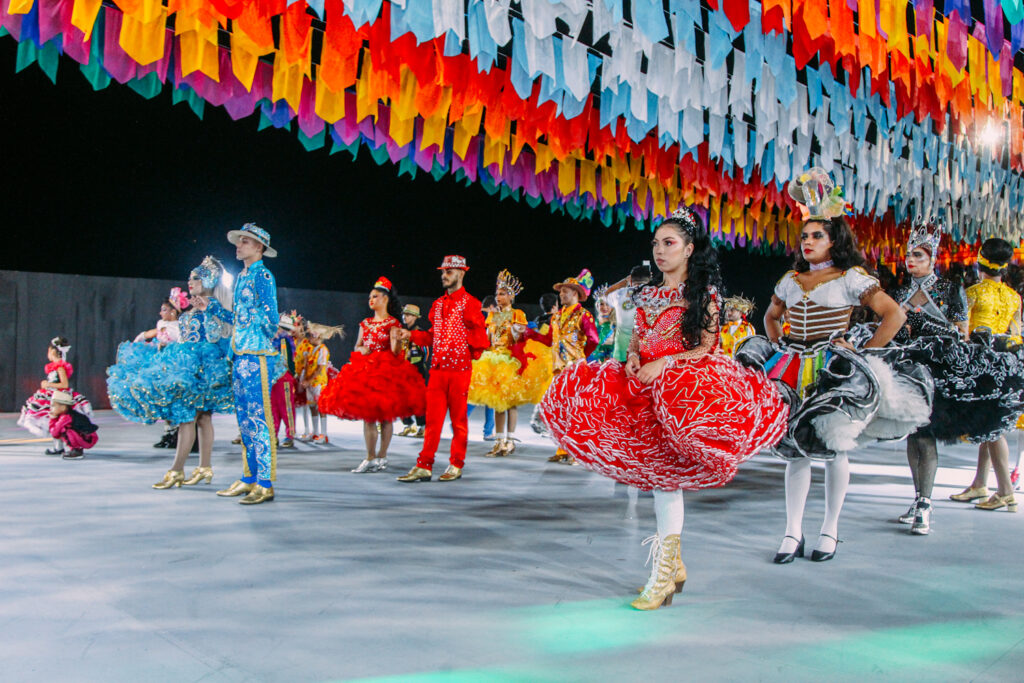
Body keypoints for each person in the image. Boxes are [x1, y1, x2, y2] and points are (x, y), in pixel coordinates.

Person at [540, 207, 788, 610]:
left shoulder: (703, 294)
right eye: (656, 243)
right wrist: (636, 357)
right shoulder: (648, 293)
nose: (659, 250)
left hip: (682, 394)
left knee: (666, 482)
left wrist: (665, 363)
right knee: (659, 481)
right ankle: (672, 567)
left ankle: (663, 574)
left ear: (689, 249)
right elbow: (638, 337)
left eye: (669, 243)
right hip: (642, 390)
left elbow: (706, 347)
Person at [754, 168, 928, 563]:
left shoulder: (852, 277)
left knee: (834, 447)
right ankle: (791, 532)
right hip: (792, 367)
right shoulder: (790, 279)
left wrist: (863, 354)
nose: (809, 241)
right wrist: (780, 343)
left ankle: (829, 529)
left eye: (818, 235)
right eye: (805, 236)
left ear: (835, 240)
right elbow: (770, 318)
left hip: (833, 368)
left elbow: (893, 316)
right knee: (794, 449)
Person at [885, 221, 971, 534]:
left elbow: (961, 333)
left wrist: (924, 324)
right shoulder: (899, 290)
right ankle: (918, 497)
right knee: (912, 432)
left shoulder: (949, 289)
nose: (912, 260)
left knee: (927, 434)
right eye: (909, 255)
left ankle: (925, 502)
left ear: (932, 258)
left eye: (919, 255)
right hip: (907, 368)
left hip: (937, 371)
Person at [393, 255, 489, 483]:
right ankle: (424, 465)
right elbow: (432, 336)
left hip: (458, 371)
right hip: (437, 370)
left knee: (458, 421)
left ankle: (456, 464)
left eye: (449, 272)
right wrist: (411, 334)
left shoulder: (471, 303)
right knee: (432, 421)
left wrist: (463, 347)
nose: (444, 276)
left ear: (461, 273)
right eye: (443, 272)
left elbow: (481, 340)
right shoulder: (437, 305)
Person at [948, 238, 1024, 512]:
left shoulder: (973, 292)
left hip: (980, 364)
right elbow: (1016, 335)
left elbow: (961, 332)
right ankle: (980, 483)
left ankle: (1005, 491)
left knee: (991, 428)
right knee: (989, 425)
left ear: (980, 264)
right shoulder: (1014, 297)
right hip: (1007, 363)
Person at [320, 277, 424, 473]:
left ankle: (382, 456)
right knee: (368, 418)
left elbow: (396, 352)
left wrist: (397, 341)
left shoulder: (393, 323)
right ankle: (370, 457)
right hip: (365, 372)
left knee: (386, 418)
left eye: (375, 296)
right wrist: (362, 350)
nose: (371, 299)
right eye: (370, 297)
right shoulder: (365, 323)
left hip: (386, 373)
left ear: (385, 299)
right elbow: (357, 346)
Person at [149, 257, 235, 489]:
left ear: (208, 280)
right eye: (189, 278)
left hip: (201, 372)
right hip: (189, 369)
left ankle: (176, 471)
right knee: (203, 419)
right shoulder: (190, 312)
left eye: (196, 277)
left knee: (188, 419)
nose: (190, 281)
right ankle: (204, 468)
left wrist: (208, 311)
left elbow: (218, 338)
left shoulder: (211, 308)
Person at [216, 223, 282, 505]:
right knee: (244, 419)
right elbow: (238, 318)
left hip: (256, 354)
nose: (238, 246)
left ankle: (265, 482)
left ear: (259, 248)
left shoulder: (264, 276)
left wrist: (252, 332)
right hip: (240, 353)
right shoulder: (243, 277)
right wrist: (214, 309)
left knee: (259, 417)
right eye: (239, 241)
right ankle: (249, 476)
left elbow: (271, 319)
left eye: (244, 242)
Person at [468, 270, 547, 456]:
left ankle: (510, 440)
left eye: (502, 293)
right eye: (497, 294)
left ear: (511, 296)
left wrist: (516, 330)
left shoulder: (517, 314)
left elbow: (520, 338)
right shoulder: (493, 315)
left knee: (509, 403)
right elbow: (488, 338)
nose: (498, 297)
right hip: (493, 359)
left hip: (510, 360)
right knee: (496, 403)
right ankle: (498, 440)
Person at [527, 269, 600, 463]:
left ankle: (576, 452)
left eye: (565, 291)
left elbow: (594, 339)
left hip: (575, 369)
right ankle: (562, 450)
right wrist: (528, 334)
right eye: (561, 292)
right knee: (560, 409)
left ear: (575, 293)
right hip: (559, 369)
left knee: (575, 410)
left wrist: (581, 357)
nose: (561, 295)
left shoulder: (584, 315)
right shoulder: (557, 317)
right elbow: (549, 339)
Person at [130, 289, 186, 449]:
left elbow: (180, 342)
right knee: (163, 398)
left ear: (174, 312)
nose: (161, 312)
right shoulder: (162, 324)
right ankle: (168, 432)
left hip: (175, 365)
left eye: (164, 310)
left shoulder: (180, 327)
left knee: (175, 399)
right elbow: (156, 332)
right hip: (161, 363)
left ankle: (177, 433)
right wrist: (141, 337)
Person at [19, 336, 94, 454]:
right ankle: (58, 446)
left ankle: (71, 445)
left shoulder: (60, 366)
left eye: (48, 351)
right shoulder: (55, 366)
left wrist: (47, 384)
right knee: (53, 421)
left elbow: (64, 384)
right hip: (51, 395)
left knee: (61, 422)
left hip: (58, 397)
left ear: (53, 351)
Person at [605, 265, 652, 362]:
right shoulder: (655, 295)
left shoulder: (620, 294)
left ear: (631, 280)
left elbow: (606, 294)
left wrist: (625, 281)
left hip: (621, 354)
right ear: (650, 280)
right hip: (647, 354)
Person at [298, 319, 335, 444]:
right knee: (312, 406)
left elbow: (320, 368)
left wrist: (309, 380)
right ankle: (314, 432)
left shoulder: (322, 350)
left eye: (312, 335)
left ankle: (323, 434)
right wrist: (304, 379)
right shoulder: (309, 349)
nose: (310, 338)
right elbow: (306, 365)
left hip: (318, 382)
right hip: (309, 382)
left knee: (320, 407)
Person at [397, 304, 430, 437]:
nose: (405, 317)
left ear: (415, 317)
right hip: (402, 370)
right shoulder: (400, 332)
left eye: (409, 315)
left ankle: (422, 426)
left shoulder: (420, 333)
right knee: (401, 399)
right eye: (404, 314)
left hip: (417, 370)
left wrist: (413, 358)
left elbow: (426, 354)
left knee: (418, 400)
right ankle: (407, 424)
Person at [271, 312, 300, 449]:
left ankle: (290, 435)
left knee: (286, 407)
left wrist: (292, 374)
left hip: (283, 377)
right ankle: (273, 435)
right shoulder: (270, 339)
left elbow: (288, 360)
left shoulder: (285, 340)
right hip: (272, 378)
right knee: (273, 408)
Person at [48, 390, 99, 460]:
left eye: (53, 406)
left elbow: (54, 433)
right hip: (88, 437)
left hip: (88, 439)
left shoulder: (65, 418)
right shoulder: (68, 415)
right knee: (65, 429)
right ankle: (77, 448)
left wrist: (52, 419)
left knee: (65, 430)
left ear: (63, 407)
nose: (51, 409)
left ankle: (76, 450)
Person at [588, 285, 617, 362]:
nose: (604, 307)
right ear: (597, 305)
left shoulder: (616, 325)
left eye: (607, 304)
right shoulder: (590, 323)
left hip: (608, 364)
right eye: (601, 304)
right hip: (590, 362)